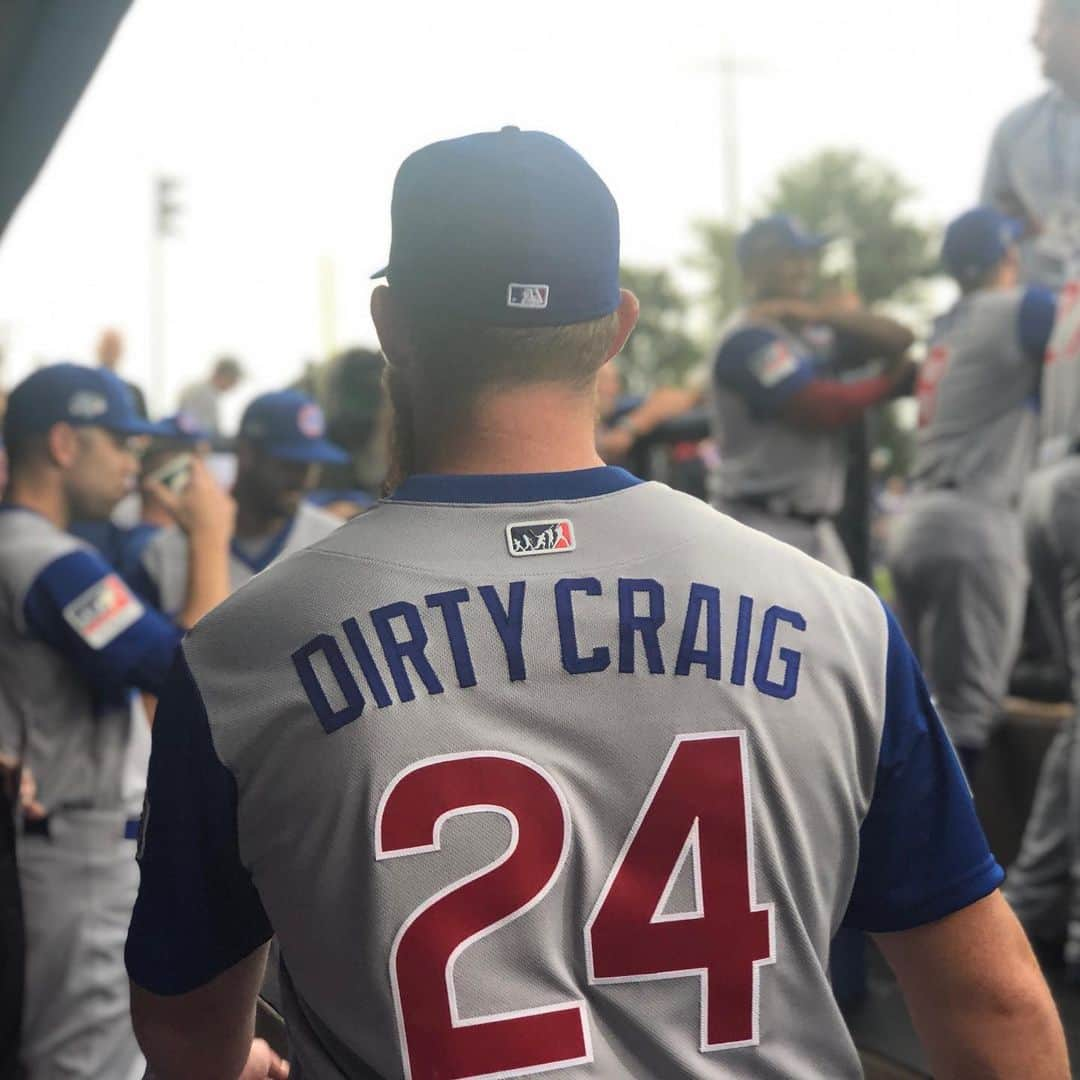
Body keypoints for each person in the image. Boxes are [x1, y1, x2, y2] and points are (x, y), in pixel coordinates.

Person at [125, 128, 1066, 1080]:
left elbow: (182, 1032)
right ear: (617, 328)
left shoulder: (243, 652)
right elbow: (992, 1008)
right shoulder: (837, 618)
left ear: (392, 325)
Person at [0, 364, 233, 1079]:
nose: (134, 462)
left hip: (60, 841)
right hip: (72, 849)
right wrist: (209, 541)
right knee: (84, 1067)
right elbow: (196, 675)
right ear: (64, 443)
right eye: (119, 443)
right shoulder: (46, 558)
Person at [886, 208, 1056, 778]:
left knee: (917, 710)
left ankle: (894, 853)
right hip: (974, 523)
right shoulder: (1019, 309)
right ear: (1008, 256)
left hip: (918, 521)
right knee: (966, 715)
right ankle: (947, 862)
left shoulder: (948, 322)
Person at [710, 215, 915, 573]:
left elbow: (899, 338)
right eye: (791, 257)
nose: (804, 266)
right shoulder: (746, 337)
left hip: (815, 529)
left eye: (806, 256)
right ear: (757, 268)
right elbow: (819, 408)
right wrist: (890, 384)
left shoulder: (807, 329)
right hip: (758, 523)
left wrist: (821, 313)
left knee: (860, 624)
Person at [131, 390, 347, 617]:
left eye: (311, 466)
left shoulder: (338, 543)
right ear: (246, 453)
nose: (302, 479)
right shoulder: (165, 551)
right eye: (289, 465)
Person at [982, 0, 1080, 287]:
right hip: (1039, 316)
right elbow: (988, 229)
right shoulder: (1016, 130)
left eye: (1045, 24)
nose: (1034, 39)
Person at [177, 355, 244, 439]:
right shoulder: (199, 391)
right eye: (234, 380)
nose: (234, 385)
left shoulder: (209, 392)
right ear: (224, 376)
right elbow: (188, 424)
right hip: (195, 443)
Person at [96, 327, 149, 419]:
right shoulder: (84, 389)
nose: (110, 351)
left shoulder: (134, 392)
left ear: (121, 351)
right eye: (107, 346)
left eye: (114, 346)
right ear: (98, 348)